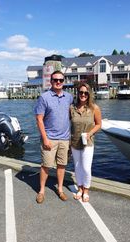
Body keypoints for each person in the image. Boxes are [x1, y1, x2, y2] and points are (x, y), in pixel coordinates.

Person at [34, 70, 74, 204]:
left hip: (64, 138)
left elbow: (72, 113)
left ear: (64, 82)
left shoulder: (69, 97)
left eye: (61, 80)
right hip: (49, 138)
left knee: (62, 165)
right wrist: (45, 138)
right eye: (55, 80)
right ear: (51, 81)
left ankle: (60, 189)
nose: (58, 82)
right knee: (46, 166)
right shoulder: (44, 97)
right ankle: (41, 191)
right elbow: (39, 119)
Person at [70, 83, 102, 202]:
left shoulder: (94, 108)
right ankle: (80, 188)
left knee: (86, 168)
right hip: (74, 142)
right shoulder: (72, 108)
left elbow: (99, 124)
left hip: (88, 142)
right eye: (81, 92)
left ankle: (86, 190)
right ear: (77, 94)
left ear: (89, 94)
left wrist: (90, 133)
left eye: (85, 93)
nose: (83, 95)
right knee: (77, 167)